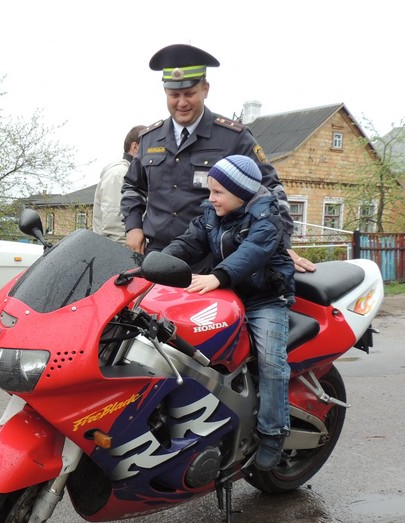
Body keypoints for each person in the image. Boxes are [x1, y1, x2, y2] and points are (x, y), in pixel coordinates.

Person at [121, 43, 315, 273]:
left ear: (205, 89)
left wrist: (281, 245)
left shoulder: (233, 137)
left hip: (214, 261)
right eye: (174, 95)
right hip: (158, 257)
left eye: (190, 93)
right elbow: (133, 187)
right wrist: (133, 227)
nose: (182, 103)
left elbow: (270, 191)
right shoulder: (150, 139)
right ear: (165, 93)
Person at [162, 155, 295, 470]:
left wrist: (217, 276)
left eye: (218, 192)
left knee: (272, 363)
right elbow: (188, 243)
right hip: (227, 296)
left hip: (265, 298)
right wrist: (158, 265)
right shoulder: (213, 213)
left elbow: (253, 253)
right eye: (210, 191)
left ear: (242, 193)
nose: (211, 199)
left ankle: (273, 433)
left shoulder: (266, 216)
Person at [92, 125, 145, 242]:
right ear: (135, 147)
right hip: (121, 253)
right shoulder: (120, 174)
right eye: (149, 146)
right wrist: (131, 256)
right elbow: (115, 227)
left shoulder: (131, 173)